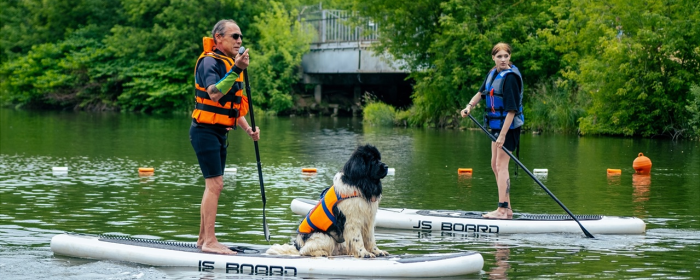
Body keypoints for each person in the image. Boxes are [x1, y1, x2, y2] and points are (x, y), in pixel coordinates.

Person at [189, 19, 260, 254]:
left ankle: (202, 239)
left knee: (213, 186)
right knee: (215, 185)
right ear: (218, 38)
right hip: (204, 131)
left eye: (240, 36)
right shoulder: (209, 62)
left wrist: (248, 129)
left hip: (219, 133)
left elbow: (231, 109)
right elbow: (214, 94)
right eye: (234, 36)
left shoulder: (230, 63)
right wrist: (237, 69)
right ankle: (210, 241)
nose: (239, 40)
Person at [460, 42, 524, 219]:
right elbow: (481, 93)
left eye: (506, 56)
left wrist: (502, 136)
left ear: (510, 57)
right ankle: (508, 209)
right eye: (499, 56)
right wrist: (469, 107)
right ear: (493, 58)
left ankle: (502, 210)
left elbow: (512, 110)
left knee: (501, 166)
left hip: (508, 128)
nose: (503, 60)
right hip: (496, 128)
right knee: (494, 164)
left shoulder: (510, 78)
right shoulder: (492, 73)